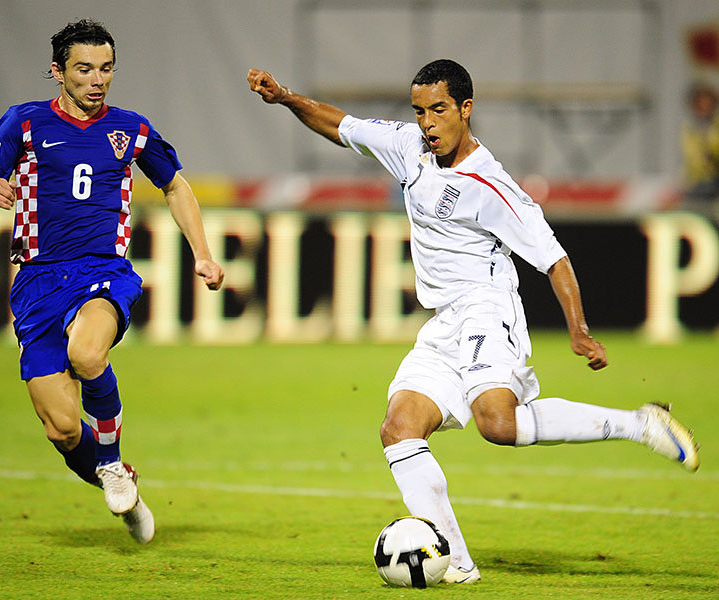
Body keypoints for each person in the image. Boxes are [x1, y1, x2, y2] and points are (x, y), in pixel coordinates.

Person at [247, 60, 699, 584]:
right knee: (399, 429)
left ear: (465, 109)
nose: (427, 123)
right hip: (444, 322)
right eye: (419, 111)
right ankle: (456, 565)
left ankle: (640, 424)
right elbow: (340, 124)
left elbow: (554, 258)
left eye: (438, 110)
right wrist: (286, 98)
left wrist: (577, 329)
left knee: (498, 425)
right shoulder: (409, 148)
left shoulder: (491, 182)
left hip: (488, 305)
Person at [0, 19, 224, 544]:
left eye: (105, 69)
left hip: (102, 271)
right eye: (84, 69)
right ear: (58, 72)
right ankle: (119, 478)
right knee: (61, 429)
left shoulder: (131, 129)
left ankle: (109, 462)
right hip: (36, 282)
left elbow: (176, 186)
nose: (96, 80)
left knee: (87, 354)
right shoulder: (24, 122)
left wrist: (203, 253)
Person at [681, 81, 719, 210]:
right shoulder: (690, 128)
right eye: (700, 102)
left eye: (707, 102)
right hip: (697, 184)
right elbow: (692, 158)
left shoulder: (715, 125)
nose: (704, 106)